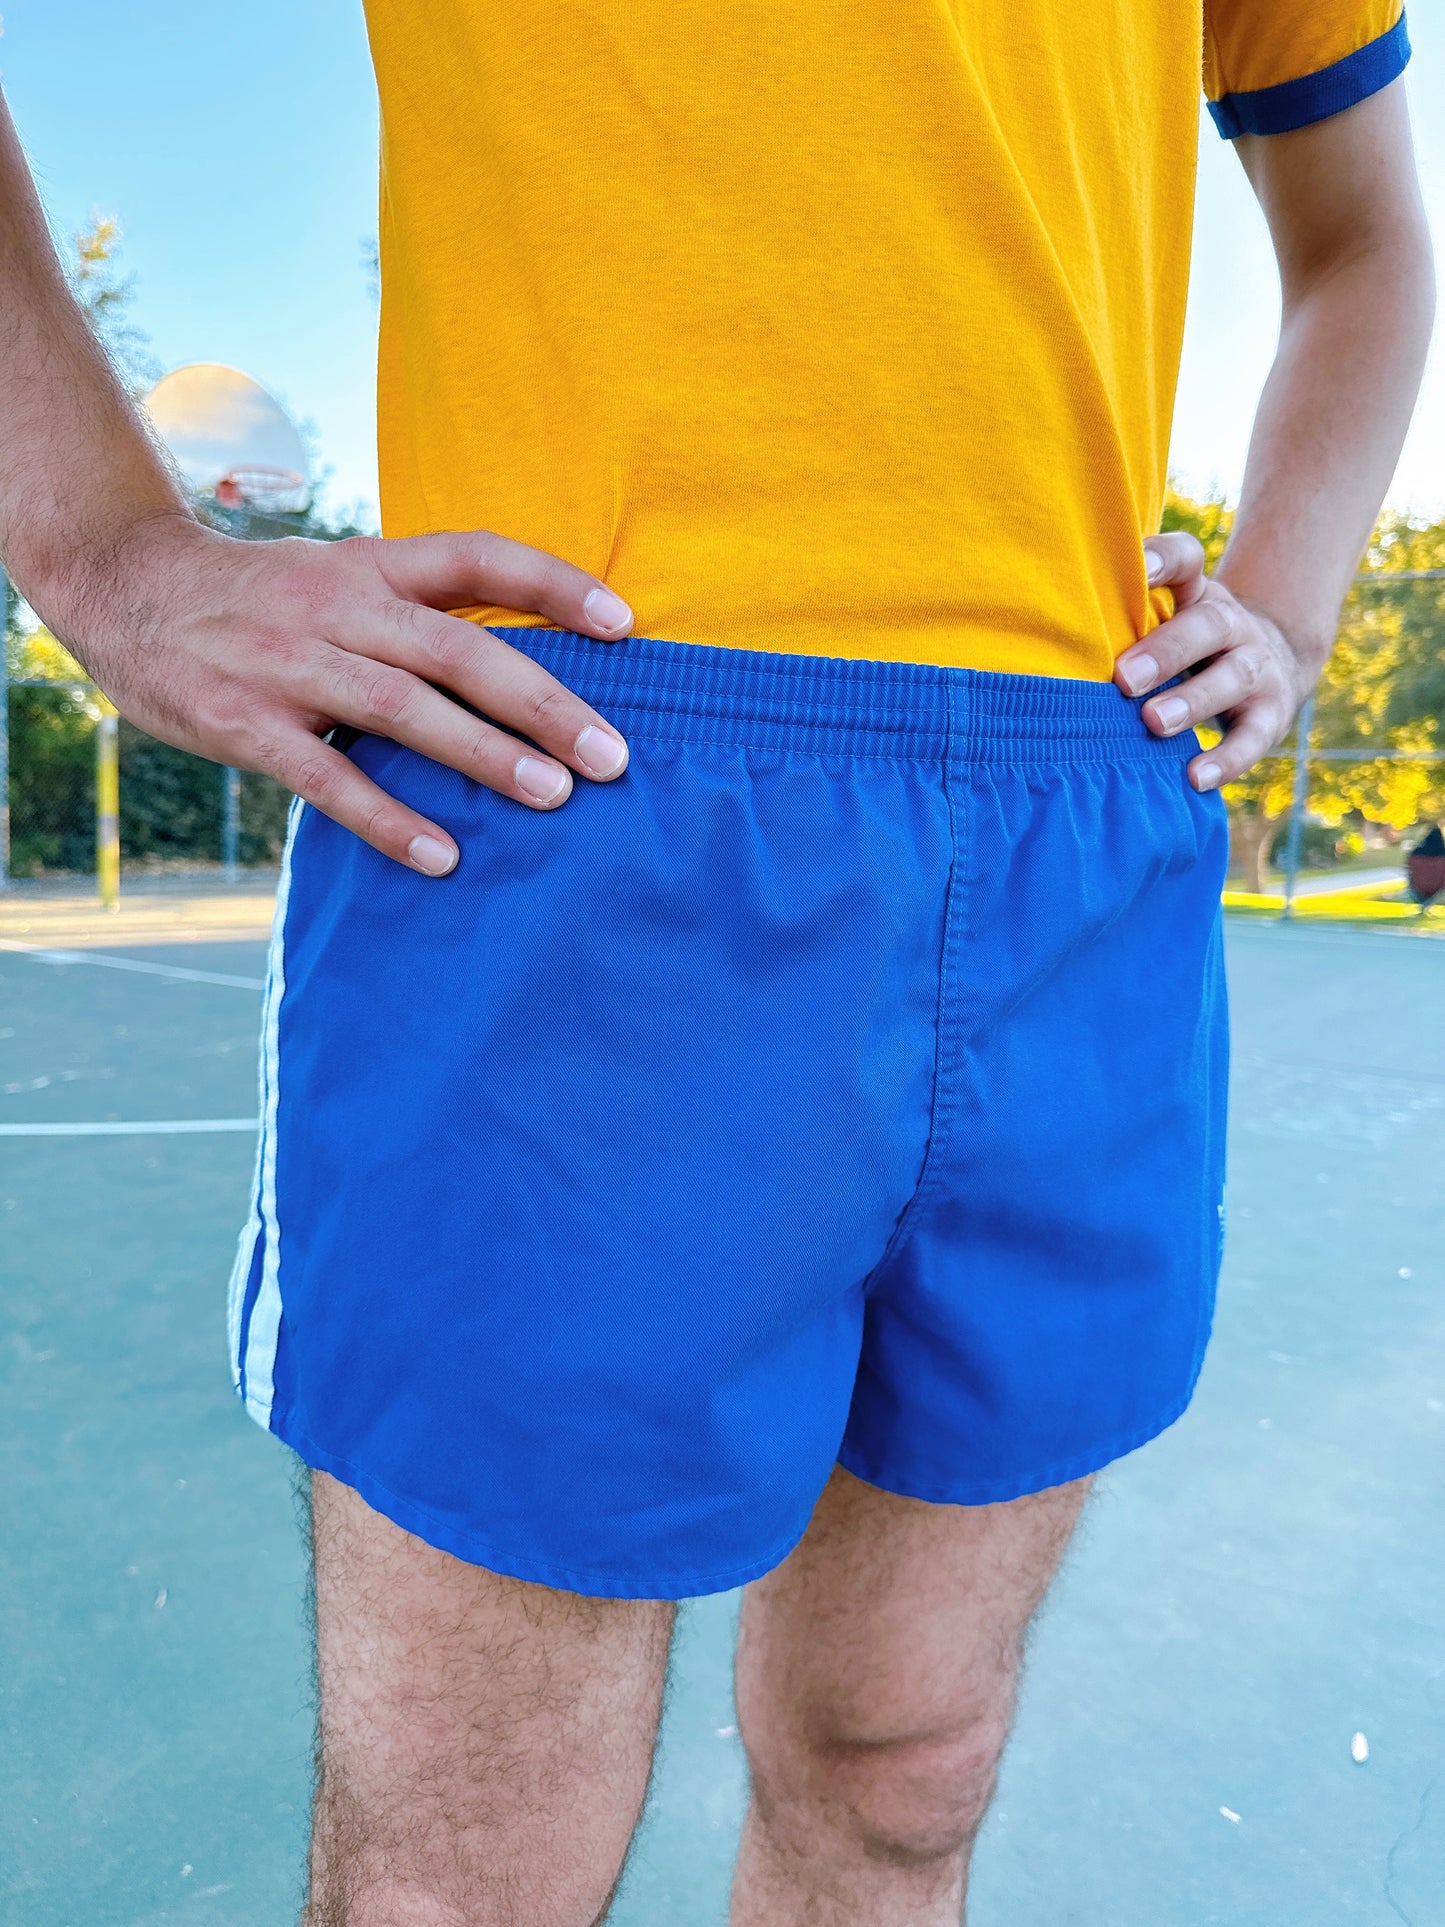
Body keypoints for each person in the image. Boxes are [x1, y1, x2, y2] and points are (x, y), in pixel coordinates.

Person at [0, 1, 1432, 1917]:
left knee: (906, 1768)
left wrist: (1284, 592)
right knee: (465, 1873)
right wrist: (99, 543)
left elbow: (1362, 239)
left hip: (1076, 813)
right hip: (575, 783)